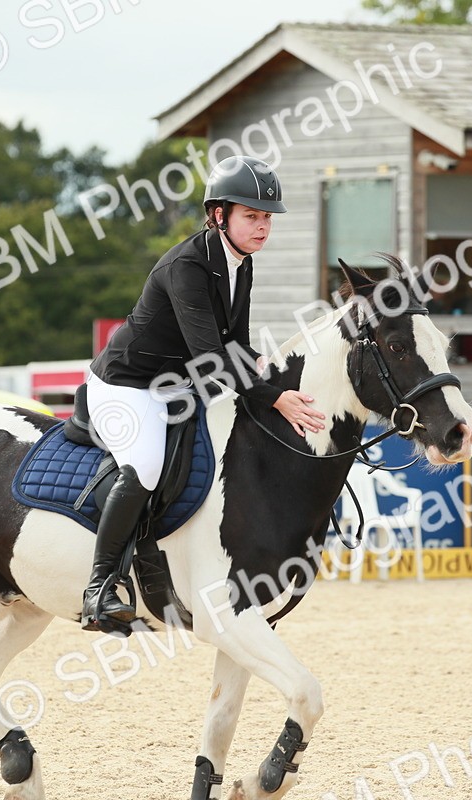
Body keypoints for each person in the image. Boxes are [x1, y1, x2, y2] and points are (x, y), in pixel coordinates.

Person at [79, 155, 327, 632]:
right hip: (127, 384)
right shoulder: (187, 265)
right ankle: (100, 587)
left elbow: (236, 343)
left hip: (177, 386)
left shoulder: (241, 263)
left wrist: (268, 372)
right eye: (252, 216)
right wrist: (274, 397)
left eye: (267, 218)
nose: (262, 227)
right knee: (147, 464)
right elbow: (211, 357)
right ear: (219, 215)